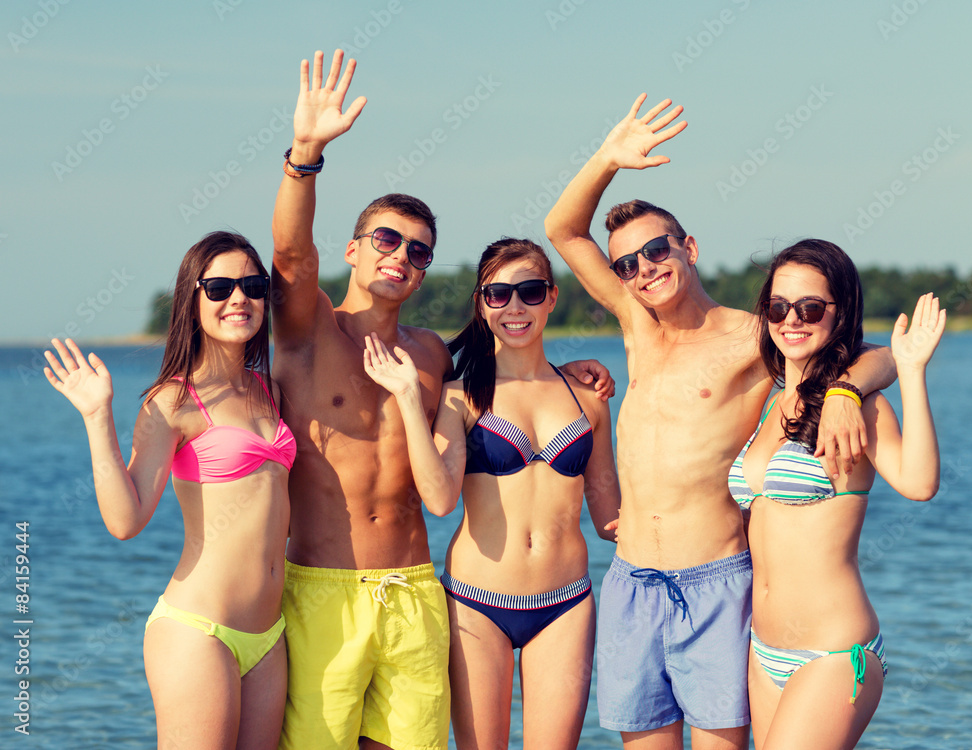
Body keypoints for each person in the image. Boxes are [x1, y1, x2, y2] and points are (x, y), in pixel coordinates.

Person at [272, 50, 613, 750]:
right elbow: (289, 256)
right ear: (356, 249)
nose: (401, 255)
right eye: (386, 240)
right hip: (324, 588)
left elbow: (508, 358)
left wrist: (582, 373)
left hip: (418, 588)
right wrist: (304, 157)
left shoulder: (432, 358)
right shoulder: (310, 334)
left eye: (419, 250)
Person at [544, 95, 897, 750]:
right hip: (631, 581)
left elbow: (878, 352)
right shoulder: (635, 326)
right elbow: (564, 230)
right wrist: (607, 159)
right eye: (627, 263)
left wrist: (846, 391)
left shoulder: (754, 336)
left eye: (655, 251)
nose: (643, 270)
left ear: (690, 247)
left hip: (715, 583)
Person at [363, 238, 621, 749]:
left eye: (528, 291)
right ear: (482, 304)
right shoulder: (462, 396)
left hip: (565, 603)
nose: (514, 307)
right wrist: (412, 399)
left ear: (551, 297)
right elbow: (438, 499)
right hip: (476, 604)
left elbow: (611, 516)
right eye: (498, 294)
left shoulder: (588, 398)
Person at [43, 231, 293, 750]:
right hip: (200, 630)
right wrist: (97, 417)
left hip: (269, 637)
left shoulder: (273, 390)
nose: (238, 298)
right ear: (192, 299)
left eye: (251, 285)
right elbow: (125, 521)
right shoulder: (173, 399)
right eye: (220, 287)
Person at [730, 240, 943, 749]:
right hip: (764, 651)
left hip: (833, 652)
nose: (791, 320)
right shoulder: (767, 404)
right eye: (778, 307)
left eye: (810, 307)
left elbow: (919, 483)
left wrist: (911, 373)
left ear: (839, 312)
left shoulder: (860, 407)